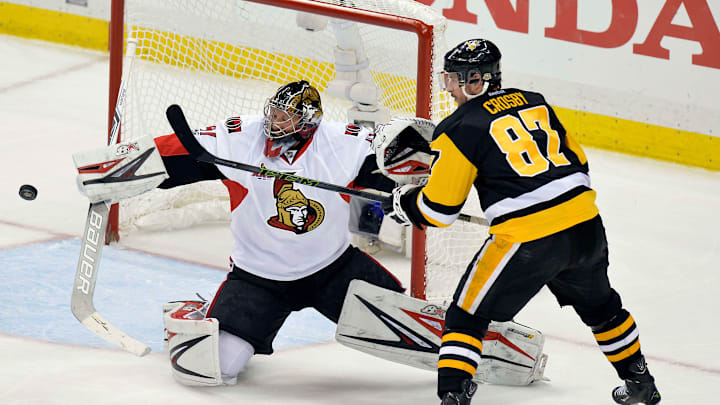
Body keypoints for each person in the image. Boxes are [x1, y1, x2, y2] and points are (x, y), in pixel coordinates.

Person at [384, 39, 661, 405]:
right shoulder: (535, 101)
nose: (447, 87)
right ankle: (640, 381)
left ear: (475, 80)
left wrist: (405, 204)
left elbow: (439, 211)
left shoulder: (458, 127)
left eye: (452, 79)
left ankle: (453, 396)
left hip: (527, 240)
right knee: (602, 308)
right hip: (585, 226)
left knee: (466, 318)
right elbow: (578, 162)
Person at [152, 80, 405, 385]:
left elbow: (397, 161)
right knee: (214, 368)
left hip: (334, 270)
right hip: (258, 279)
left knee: (403, 329)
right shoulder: (241, 136)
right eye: (274, 112)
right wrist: (114, 169)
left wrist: (417, 190)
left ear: (308, 120)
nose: (275, 121)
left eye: (287, 116)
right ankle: (192, 314)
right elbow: (170, 154)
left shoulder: (343, 142)